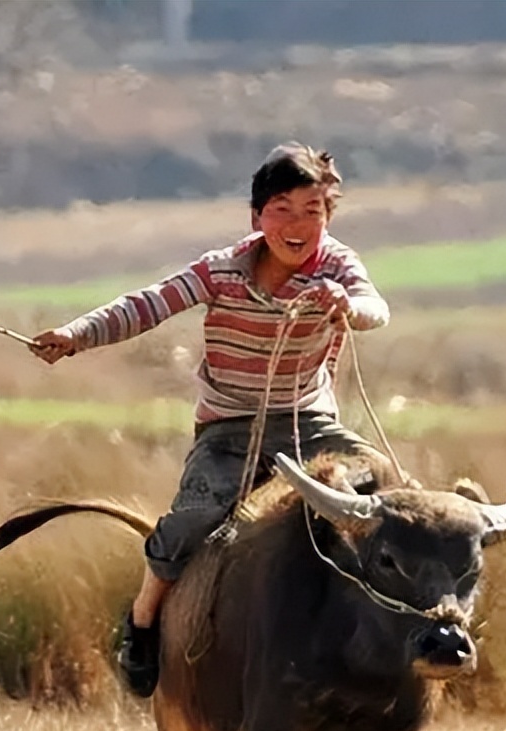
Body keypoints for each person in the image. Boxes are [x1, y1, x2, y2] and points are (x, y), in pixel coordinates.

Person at [30, 143, 390, 697]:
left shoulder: (338, 267)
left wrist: (345, 303)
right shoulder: (220, 271)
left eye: (313, 212)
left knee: (385, 492)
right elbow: (147, 305)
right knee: (190, 522)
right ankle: (144, 624)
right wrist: (76, 336)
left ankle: (395, 629)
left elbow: (374, 308)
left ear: (329, 217)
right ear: (256, 218)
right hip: (229, 430)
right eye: (283, 210)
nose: (298, 225)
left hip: (309, 425)